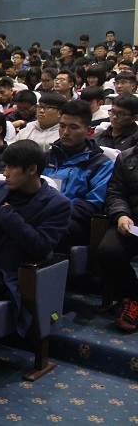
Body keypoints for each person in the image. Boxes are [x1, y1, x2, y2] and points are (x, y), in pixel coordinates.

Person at [0, 140, 72, 336]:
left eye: (12, 167)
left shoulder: (57, 204)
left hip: (5, 273)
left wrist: (8, 215)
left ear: (31, 170)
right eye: (6, 166)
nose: (5, 173)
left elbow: (39, 246)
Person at [43, 100, 114, 251]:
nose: (66, 132)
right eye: (62, 126)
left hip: (75, 221)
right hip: (41, 213)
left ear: (89, 130)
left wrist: (56, 213)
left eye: (73, 127)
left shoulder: (100, 164)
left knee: (48, 231)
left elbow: (93, 204)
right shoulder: (45, 157)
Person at [97, 137, 138, 333]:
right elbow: (116, 193)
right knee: (108, 251)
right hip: (133, 221)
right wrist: (121, 214)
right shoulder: (127, 157)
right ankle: (132, 296)